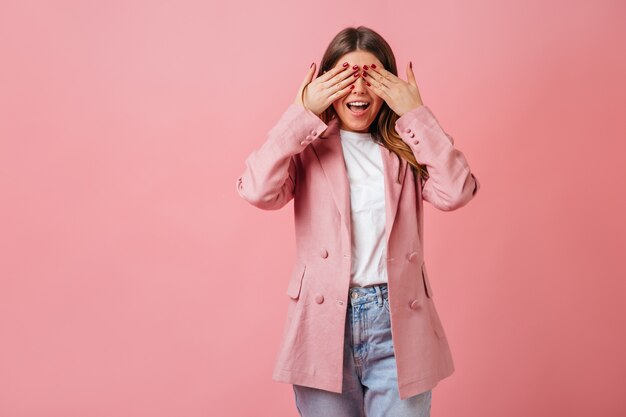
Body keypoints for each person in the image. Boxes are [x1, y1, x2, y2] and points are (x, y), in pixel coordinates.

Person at [236, 26, 480, 417]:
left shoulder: (405, 147)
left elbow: (457, 191)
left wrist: (416, 113)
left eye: (372, 77)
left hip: (397, 320)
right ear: (326, 86)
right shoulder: (306, 148)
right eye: (346, 76)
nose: (359, 89)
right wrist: (301, 113)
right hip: (323, 321)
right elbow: (256, 189)